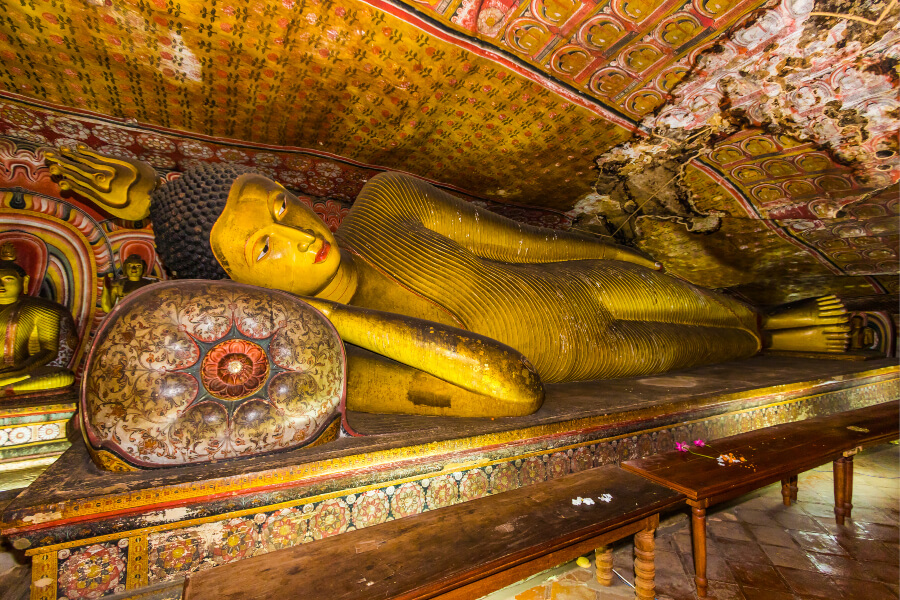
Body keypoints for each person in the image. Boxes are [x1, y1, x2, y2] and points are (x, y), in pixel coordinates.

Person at [46, 145, 849, 416]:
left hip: (583, 283)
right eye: (265, 249)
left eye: (283, 206)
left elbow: (517, 240)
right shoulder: (346, 366)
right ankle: (774, 330)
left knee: (717, 306)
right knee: (726, 344)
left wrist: (623, 259)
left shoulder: (383, 204)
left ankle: (770, 319)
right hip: (586, 351)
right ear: (247, 289)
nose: (298, 233)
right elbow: (510, 387)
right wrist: (318, 317)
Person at [0, 243, 77, 393]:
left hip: (20, 373)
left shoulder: (43, 310)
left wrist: (17, 371)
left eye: (8, 279)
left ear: (25, 281)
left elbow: (49, 350)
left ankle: (7, 389)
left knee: (63, 377)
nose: (1, 285)